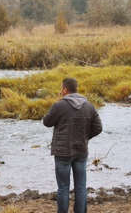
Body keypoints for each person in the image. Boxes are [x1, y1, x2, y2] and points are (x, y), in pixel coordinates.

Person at [43, 77, 103, 213]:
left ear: (65, 90)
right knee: (81, 186)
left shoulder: (59, 106)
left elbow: (46, 122)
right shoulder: (89, 105)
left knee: (63, 187)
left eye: (61, 88)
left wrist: (56, 103)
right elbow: (98, 127)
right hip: (81, 150)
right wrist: (85, 137)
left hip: (63, 152)